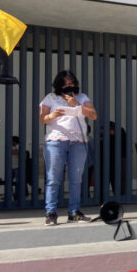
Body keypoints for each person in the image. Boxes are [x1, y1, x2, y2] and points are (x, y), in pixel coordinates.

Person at [40, 70, 97, 226]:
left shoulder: (82, 97)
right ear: (58, 85)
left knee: (76, 179)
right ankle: (51, 212)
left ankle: (74, 212)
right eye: (64, 83)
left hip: (78, 141)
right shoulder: (50, 98)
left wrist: (76, 105)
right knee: (53, 179)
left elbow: (93, 115)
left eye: (71, 82)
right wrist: (51, 116)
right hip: (56, 140)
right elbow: (42, 118)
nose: (68, 85)